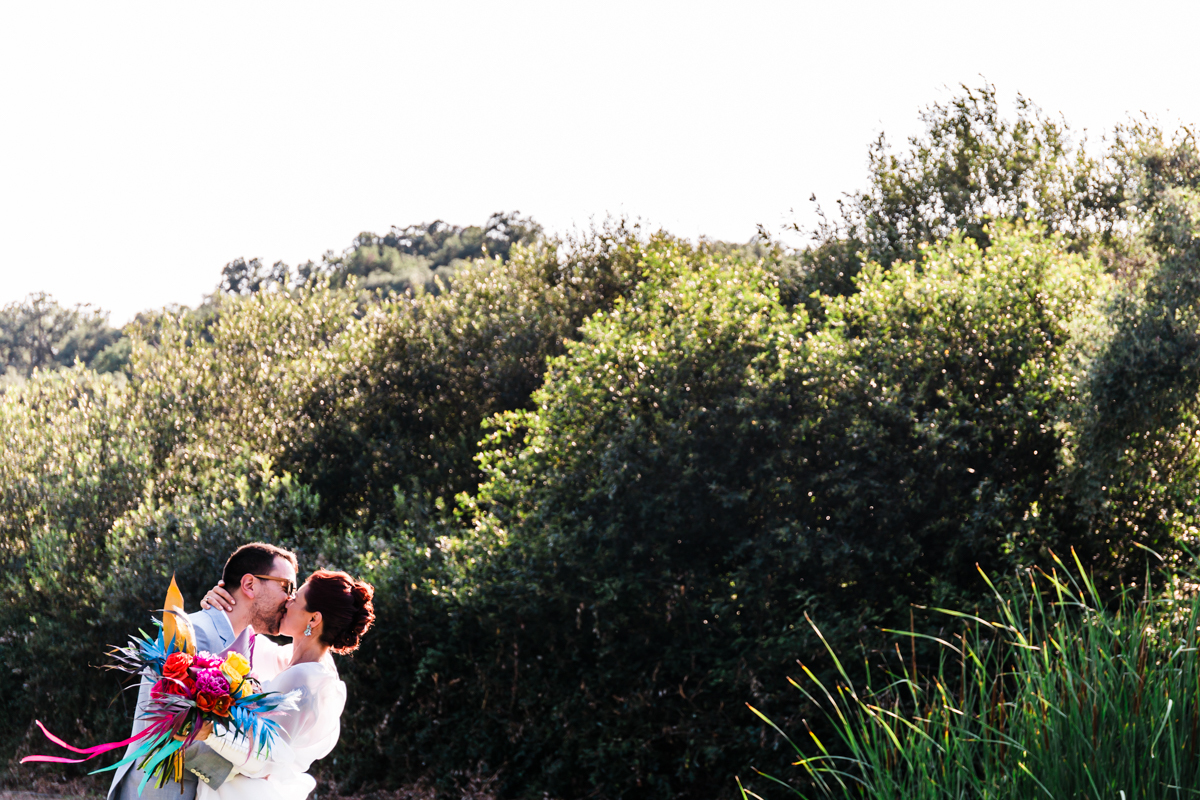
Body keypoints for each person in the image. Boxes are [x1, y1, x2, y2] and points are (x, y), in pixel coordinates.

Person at [107, 543, 299, 800]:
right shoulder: (192, 632)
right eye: (287, 587)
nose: (291, 599)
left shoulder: (249, 640)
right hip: (160, 789)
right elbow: (165, 724)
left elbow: (303, 656)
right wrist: (250, 768)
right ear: (250, 585)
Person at [195, 570, 375, 800]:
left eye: (296, 598)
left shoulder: (306, 680)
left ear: (313, 619)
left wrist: (210, 732)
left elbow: (264, 755)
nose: (287, 602)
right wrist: (221, 606)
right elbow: (244, 640)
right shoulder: (296, 662)